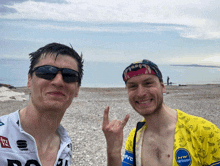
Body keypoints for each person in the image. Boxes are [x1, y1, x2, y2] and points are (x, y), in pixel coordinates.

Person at [102, 59, 220, 166]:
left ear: (163, 87)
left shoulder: (204, 131)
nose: (140, 93)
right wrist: (113, 152)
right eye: (133, 86)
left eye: (148, 83)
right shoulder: (135, 137)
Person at [0, 43, 83, 166]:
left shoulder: (65, 146)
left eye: (69, 75)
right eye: (46, 72)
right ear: (29, 81)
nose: (58, 81)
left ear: (77, 90)